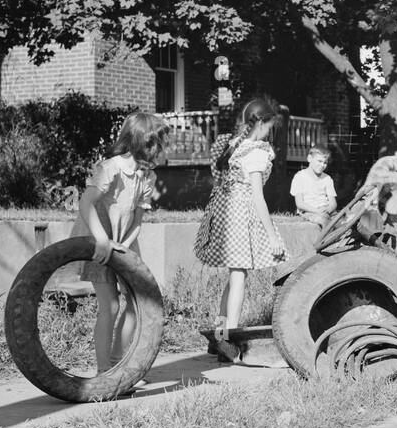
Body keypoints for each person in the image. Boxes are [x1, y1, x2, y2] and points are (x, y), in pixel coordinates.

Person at [71, 111, 170, 373]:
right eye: (158, 144)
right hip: (98, 242)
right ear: (144, 143)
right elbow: (86, 203)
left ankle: (119, 364)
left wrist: (124, 246)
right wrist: (103, 241)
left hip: (123, 243)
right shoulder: (111, 168)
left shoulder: (146, 177)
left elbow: (138, 218)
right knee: (111, 306)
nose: (161, 149)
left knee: (136, 305)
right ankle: (104, 370)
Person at [194, 96, 286, 361]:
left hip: (226, 213)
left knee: (235, 275)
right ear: (260, 123)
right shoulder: (255, 151)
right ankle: (229, 338)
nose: (270, 131)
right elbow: (257, 196)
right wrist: (271, 235)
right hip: (241, 215)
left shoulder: (236, 144)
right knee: (239, 277)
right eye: (269, 126)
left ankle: (219, 333)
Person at [290, 145, 337, 250]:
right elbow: (300, 203)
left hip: (326, 210)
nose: (322, 165)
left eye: (325, 163)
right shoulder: (300, 177)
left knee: (343, 221)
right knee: (323, 220)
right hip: (309, 211)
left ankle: (339, 245)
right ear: (309, 159)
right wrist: (317, 211)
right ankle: (324, 247)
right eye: (319, 161)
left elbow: (333, 203)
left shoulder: (327, 179)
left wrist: (328, 210)